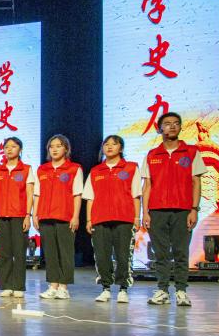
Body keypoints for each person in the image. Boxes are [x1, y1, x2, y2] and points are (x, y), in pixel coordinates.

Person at [141, 112, 207, 307]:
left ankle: (181, 291)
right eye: (167, 123)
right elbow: (147, 186)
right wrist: (145, 212)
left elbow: (196, 182)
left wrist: (194, 209)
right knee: (160, 253)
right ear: (160, 128)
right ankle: (162, 290)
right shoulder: (152, 154)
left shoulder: (191, 152)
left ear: (180, 127)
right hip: (157, 210)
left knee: (181, 252)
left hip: (182, 210)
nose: (172, 126)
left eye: (176, 123)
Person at [83, 135, 140, 304]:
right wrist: (89, 220)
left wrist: (137, 217)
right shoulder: (96, 171)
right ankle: (105, 288)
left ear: (120, 148)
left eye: (114, 144)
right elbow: (90, 197)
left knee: (123, 256)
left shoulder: (131, 168)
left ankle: (123, 289)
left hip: (124, 218)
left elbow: (136, 195)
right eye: (106, 144)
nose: (109, 147)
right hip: (100, 219)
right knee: (102, 255)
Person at [34, 134, 83, 300]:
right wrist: (35, 214)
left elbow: (77, 194)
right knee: (50, 253)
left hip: (65, 216)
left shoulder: (74, 169)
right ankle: (53, 285)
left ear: (66, 149)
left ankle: (63, 287)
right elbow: (37, 194)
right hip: (45, 216)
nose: (54, 149)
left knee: (65, 252)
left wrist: (75, 217)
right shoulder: (42, 169)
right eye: (51, 146)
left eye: (58, 146)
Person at [0, 137, 36, 298]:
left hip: (19, 216)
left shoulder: (26, 169)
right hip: (2, 216)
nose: (9, 149)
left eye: (13, 146)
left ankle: (18, 286)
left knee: (19, 252)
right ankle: (6, 285)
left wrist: (28, 215)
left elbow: (30, 194)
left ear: (20, 149)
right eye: (6, 147)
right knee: (4, 253)